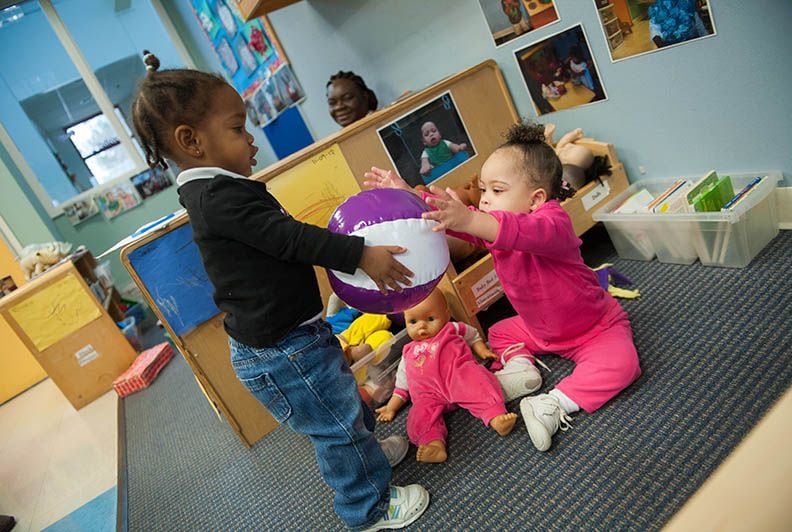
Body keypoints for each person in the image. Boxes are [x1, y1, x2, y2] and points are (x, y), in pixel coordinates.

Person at [130, 52, 429, 531]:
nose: (251, 139)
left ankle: (368, 463)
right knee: (336, 425)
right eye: (236, 129)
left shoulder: (221, 192)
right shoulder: (218, 199)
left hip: (295, 338)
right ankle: (367, 509)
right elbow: (291, 240)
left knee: (346, 408)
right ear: (192, 141)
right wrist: (360, 254)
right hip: (282, 352)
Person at [364, 121, 641, 452]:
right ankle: (521, 370)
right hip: (540, 330)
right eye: (482, 190)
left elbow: (508, 228)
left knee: (623, 363)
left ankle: (553, 404)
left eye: (497, 191)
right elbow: (460, 220)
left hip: (594, 326)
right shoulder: (493, 227)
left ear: (537, 199)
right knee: (498, 332)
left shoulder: (553, 223)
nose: (484, 201)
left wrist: (469, 220)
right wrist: (409, 194)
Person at [375, 288, 517, 463]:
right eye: (413, 322)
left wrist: (482, 350)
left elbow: (473, 336)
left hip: (458, 378)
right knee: (418, 415)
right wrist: (391, 408)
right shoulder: (407, 352)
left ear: (446, 314)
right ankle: (433, 444)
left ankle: (495, 416)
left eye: (430, 319)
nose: (421, 326)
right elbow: (402, 386)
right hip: (428, 395)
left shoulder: (451, 328)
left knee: (478, 380)